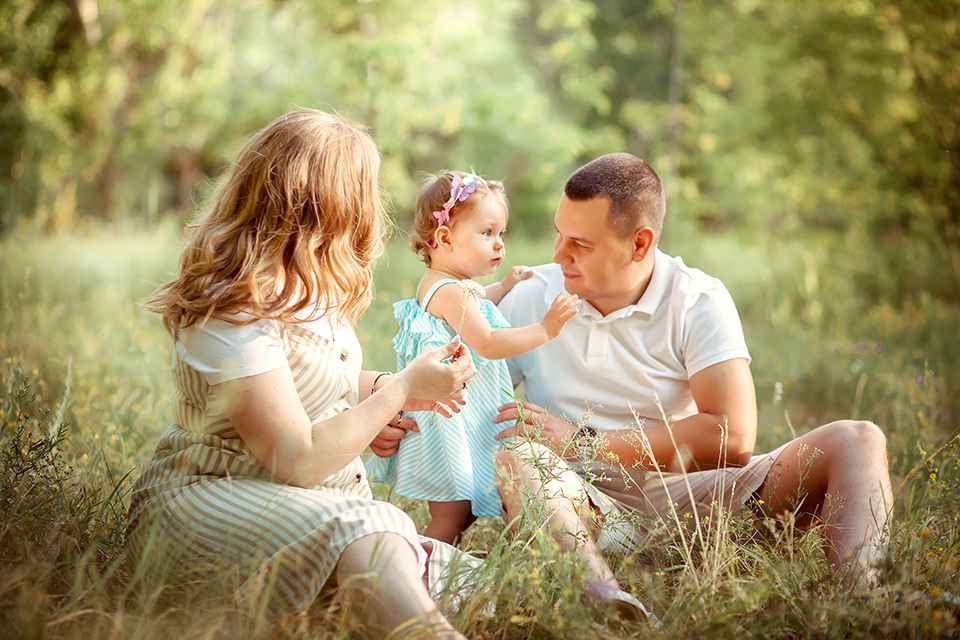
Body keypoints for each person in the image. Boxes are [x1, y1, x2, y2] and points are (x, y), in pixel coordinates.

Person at [487, 153, 894, 620]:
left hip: (691, 504)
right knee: (519, 458)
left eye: (580, 242)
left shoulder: (697, 300)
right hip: (574, 502)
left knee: (857, 439)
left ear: (640, 245)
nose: (558, 254)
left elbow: (733, 439)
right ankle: (606, 605)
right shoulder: (531, 295)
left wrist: (584, 441)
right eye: (560, 233)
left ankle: (863, 606)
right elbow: (467, 394)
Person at [125, 109, 481, 640]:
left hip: (309, 505)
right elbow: (297, 458)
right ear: (325, 204)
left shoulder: (314, 286)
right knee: (372, 532)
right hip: (210, 498)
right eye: (363, 192)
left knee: (469, 576)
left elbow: (312, 381)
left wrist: (383, 389)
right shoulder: (231, 308)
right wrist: (403, 389)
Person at [366, 170, 579, 545]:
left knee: (460, 511)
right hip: (450, 424)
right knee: (451, 514)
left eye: (502, 234)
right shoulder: (451, 292)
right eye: (487, 233)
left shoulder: (448, 285)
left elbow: (476, 305)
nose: (499, 245)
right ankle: (422, 564)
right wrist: (545, 329)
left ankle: (437, 564)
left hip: (454, 415)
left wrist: (505, 285)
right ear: (445, 237)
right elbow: (488, 341)